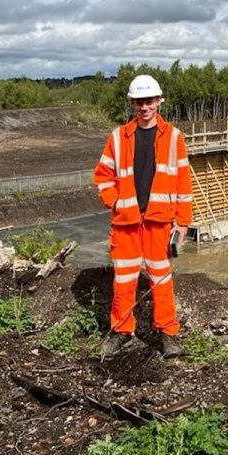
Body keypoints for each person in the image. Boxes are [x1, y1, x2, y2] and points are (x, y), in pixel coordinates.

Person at [92, 74, 193, 358]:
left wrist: (183, 222)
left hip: (159, 223)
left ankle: (168, 334)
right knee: (123, 280)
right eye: (139, 101)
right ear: (133, 103)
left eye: (149, 101)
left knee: (161, 280)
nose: (144, 107)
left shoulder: (173, 137)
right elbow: (102, 176)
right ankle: (122, 331)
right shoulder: (118, 137)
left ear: (159, 101)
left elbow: (183, 183)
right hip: (126, 223)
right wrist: (116, 204)